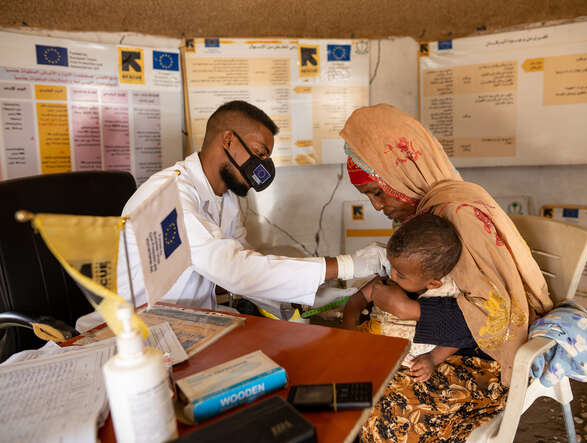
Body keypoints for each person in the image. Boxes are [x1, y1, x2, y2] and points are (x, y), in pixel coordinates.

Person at [339, 104, 553, 441]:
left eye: (377, 193)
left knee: (375, 411)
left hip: (482, 361)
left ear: (400, 176)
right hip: (438, 346)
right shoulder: (432, 207)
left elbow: (498, 319)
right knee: (347, 380)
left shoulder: (459, 214)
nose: (377, 206)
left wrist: (410, 309)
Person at [77, 101, 386, 331]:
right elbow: (237, 269)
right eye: (260, 152)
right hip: (131, 336)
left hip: (187, 327)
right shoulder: (169, 195)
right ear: (228, 141)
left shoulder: (226, 198)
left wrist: (319, 297)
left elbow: (248, 269)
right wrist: (347, 264)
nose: (263, 166)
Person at [343, 212, 477, 382]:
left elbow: (457, 337)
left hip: (410, 364)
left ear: (433, 284)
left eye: (400, 274)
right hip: (370, 343)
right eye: (391, 265)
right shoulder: (391, 280)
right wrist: (348, 332)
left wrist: (432, 358)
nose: (391, 273)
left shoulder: (448, 291)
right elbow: (356, 300)